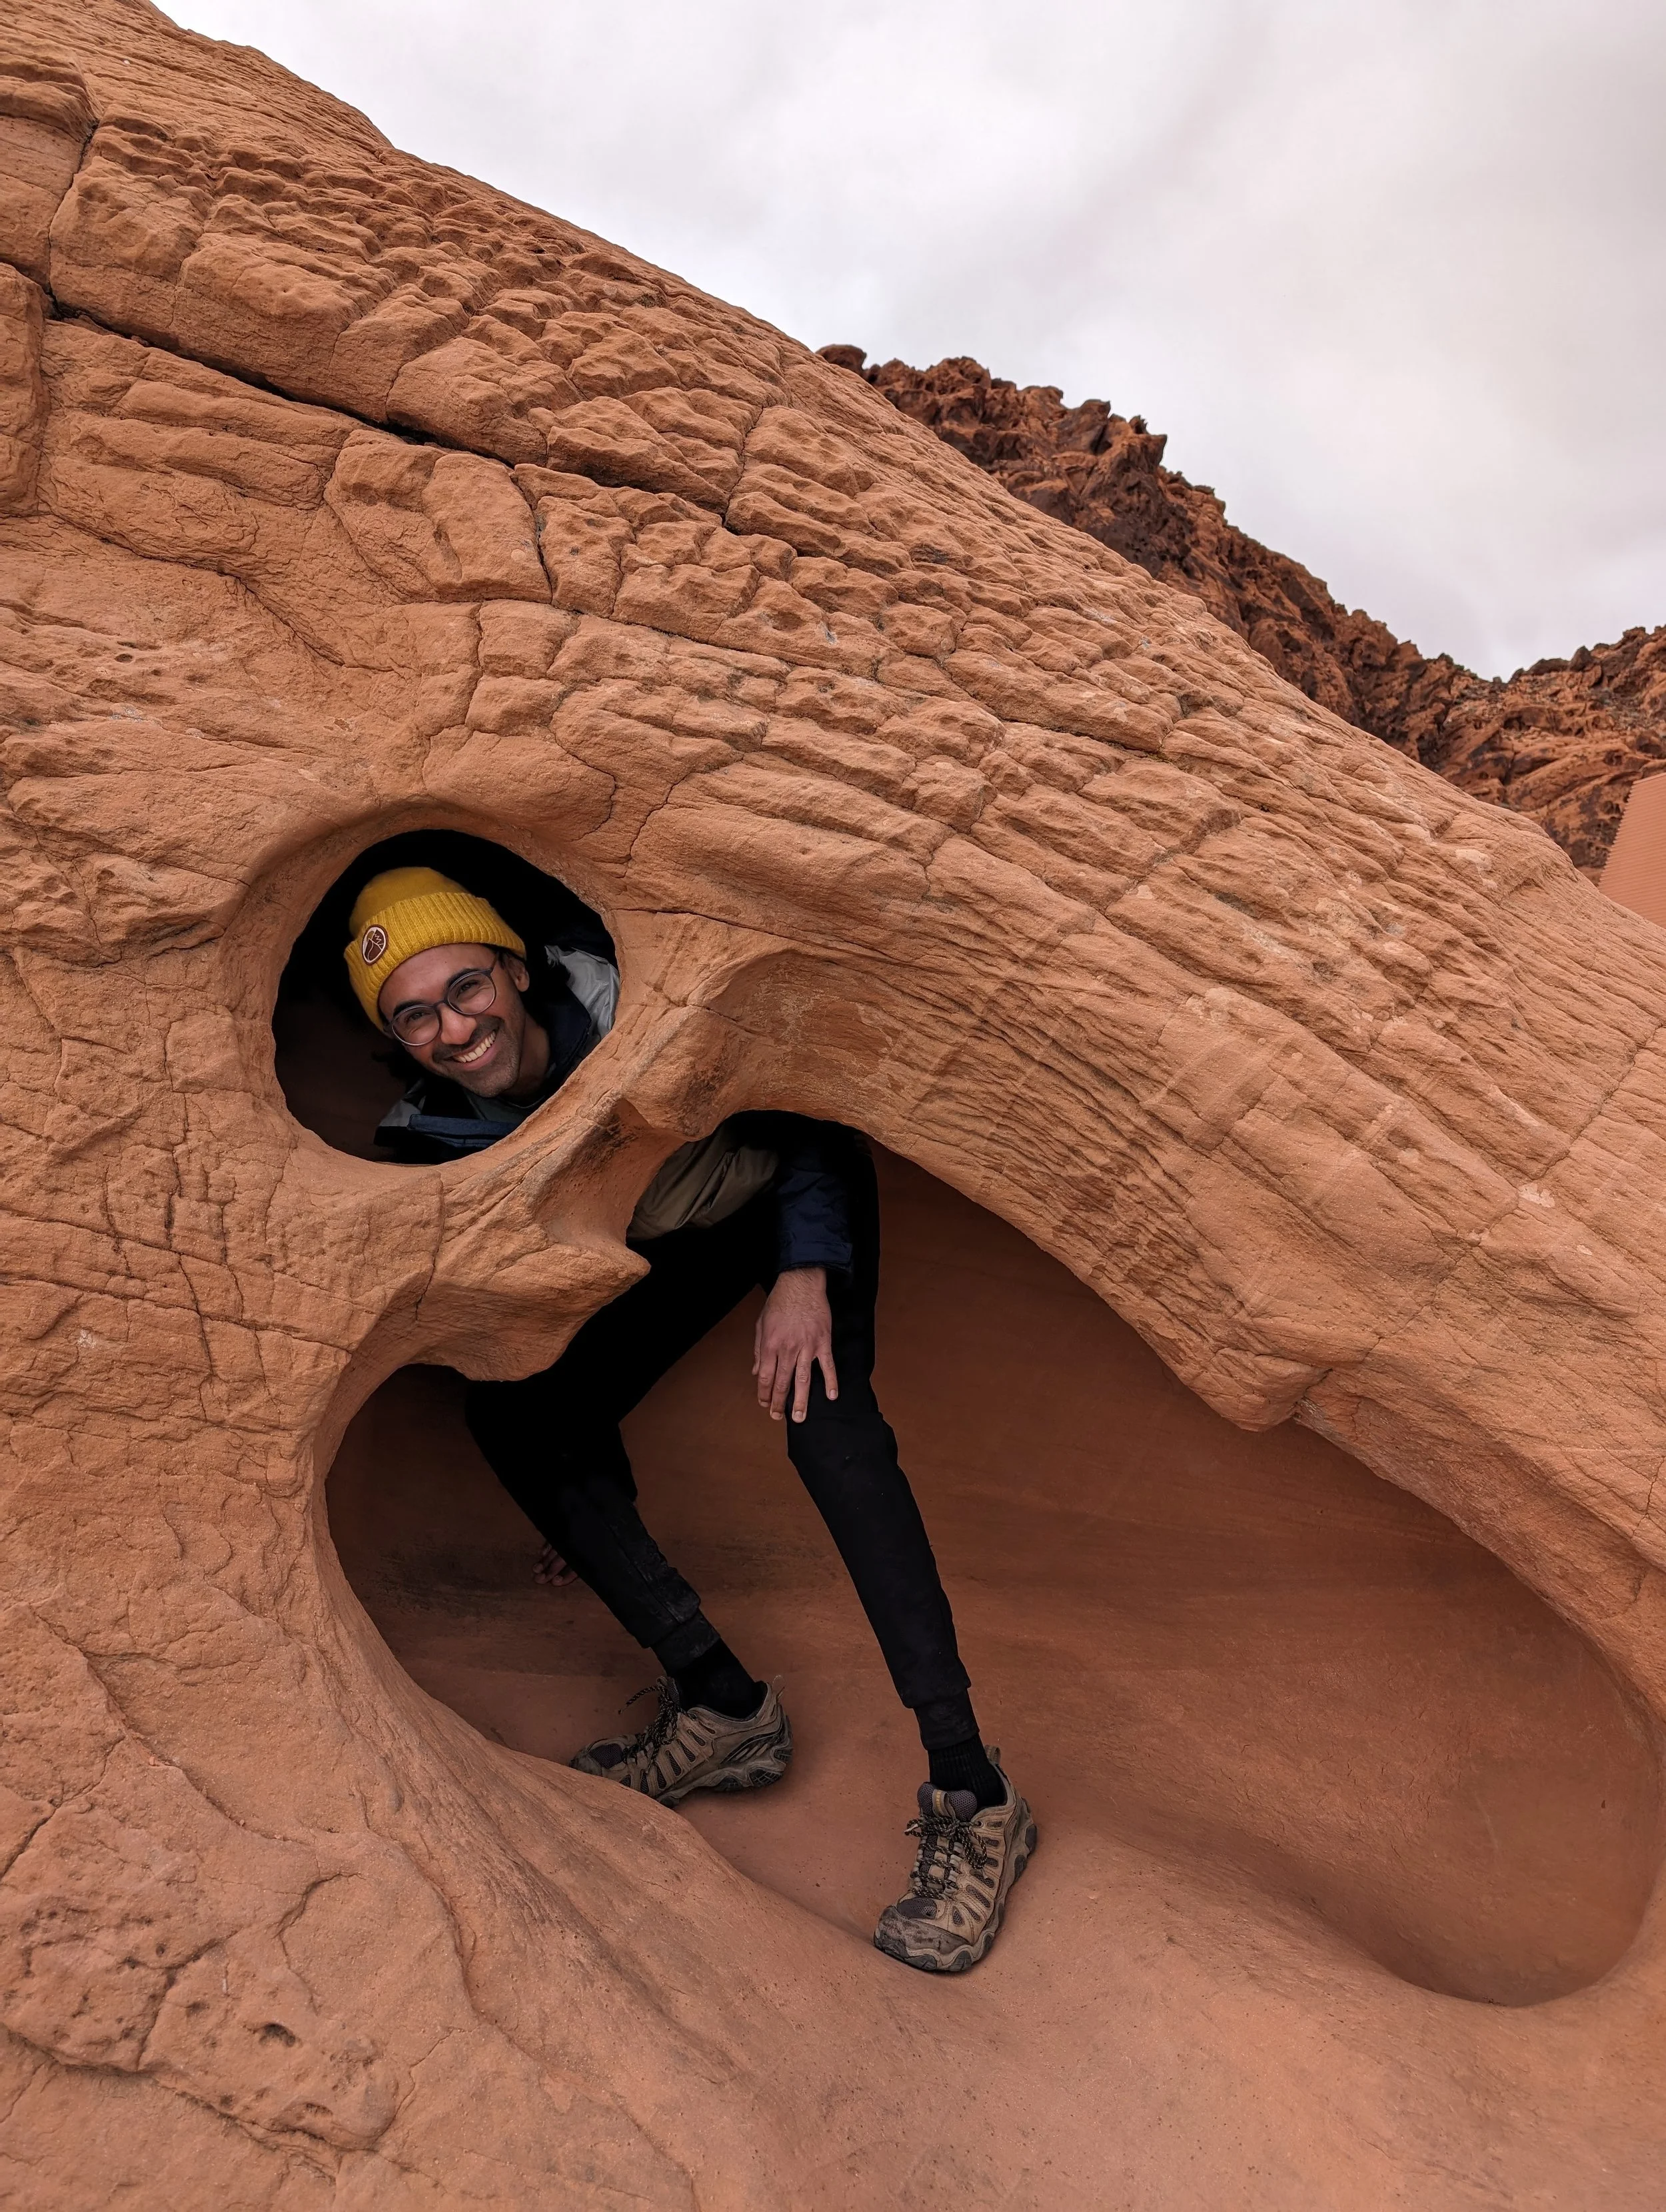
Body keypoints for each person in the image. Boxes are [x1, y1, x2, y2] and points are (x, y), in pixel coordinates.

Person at [343, 864, 1036, 1973]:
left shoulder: (624, 1001)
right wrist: (589, 1506)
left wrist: (805, 1271)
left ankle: (975, 1790)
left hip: (781, 1178)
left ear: (513, 969)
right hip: (680, 1233)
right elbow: (510, 1316)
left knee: (828, 1429)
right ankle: (723, 1707)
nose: (451, 1028)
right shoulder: (427, 1136)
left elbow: (803, 1098)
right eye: (412, 1015)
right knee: (516, 1418)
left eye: (464, 988)